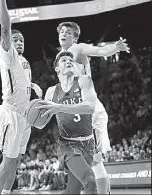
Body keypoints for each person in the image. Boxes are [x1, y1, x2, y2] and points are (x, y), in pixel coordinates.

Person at [55, 22, 130, 194]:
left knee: (95, 161)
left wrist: (115, 47)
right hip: (77, 112)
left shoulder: (78, 48)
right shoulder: (61, 57)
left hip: (90, 110)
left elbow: (100, 51)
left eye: (68, 32)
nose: (64, 33)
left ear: (75, 37)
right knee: (90, 161)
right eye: (62, 31)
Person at [0, 0, 43, 194]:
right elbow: (5, 28)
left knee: (17, 160)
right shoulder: (8, 54)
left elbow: (24, 85)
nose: (18, 42)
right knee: (7, 160)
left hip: (25, 117)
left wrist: (34, 87)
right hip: (10, 113)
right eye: (15, 39)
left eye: (21, 40)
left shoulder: (25, 62)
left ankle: (6, 193)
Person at [38, 51, 99, 194]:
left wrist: (59, 107)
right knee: (90, 181)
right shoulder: (52, 92)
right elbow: (41, 124)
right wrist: (31, 111)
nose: (68, 61)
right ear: (57, 69)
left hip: (89, 144)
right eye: (64, 60)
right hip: (68, 144)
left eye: (71, 59)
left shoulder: (84, 81)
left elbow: (90, 107)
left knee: (72, 191)